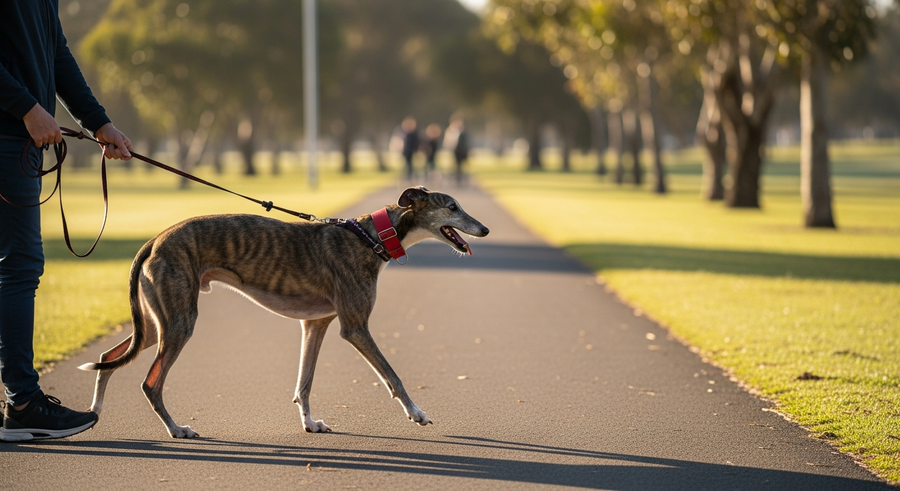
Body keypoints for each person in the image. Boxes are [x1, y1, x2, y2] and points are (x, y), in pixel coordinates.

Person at [1, 0, 133, 441]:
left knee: (17, 268)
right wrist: (27, 107)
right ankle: (22, 404)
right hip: (7, 139)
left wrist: (98, 122)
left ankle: (20, 402)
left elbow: (56, 53)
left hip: (16, 142)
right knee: (20, 267)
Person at [444, 118, 469, 187]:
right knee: (455, 166)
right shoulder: (452, 131)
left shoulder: (463, 132)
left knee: (460, 166)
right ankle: (456, 179)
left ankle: (459, 179)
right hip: (455, 152)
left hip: (461, 152)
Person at [400, 117, 419, 181]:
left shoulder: (414, 134)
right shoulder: (403, 134)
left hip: (411, 152)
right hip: (405, 152)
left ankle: (411, 177)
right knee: (406, 165)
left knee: (411, 165)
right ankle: (407, 178)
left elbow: (416, 143)